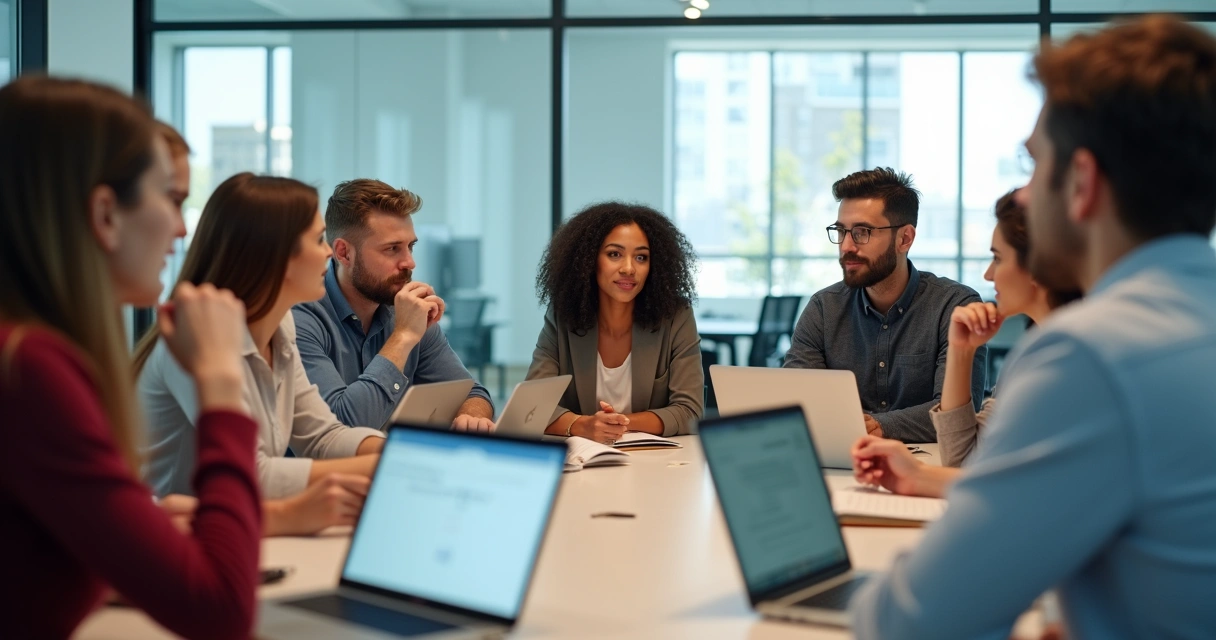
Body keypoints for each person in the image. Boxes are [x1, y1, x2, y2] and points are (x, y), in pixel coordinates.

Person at [850, 15, 1216, 639]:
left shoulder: (1090, 353)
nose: (1021, 197)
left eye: (1034, 164)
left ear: (1082, 184)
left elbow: (912, 623)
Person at [0, 76, 260, 638]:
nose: (181, 227)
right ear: (105, 215)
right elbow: (220, 611)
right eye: (170, 198)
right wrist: (220, 381)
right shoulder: (28, 369)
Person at [148, 123, 371, 536]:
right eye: (318, 240)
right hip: (174, 542)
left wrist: (389, 451)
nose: (328, 252)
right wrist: (387, 465)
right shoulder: (194, 337)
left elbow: (320, 436)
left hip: (238, 532)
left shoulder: (280, 324)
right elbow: (254, 474)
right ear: (277, 256)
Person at [853, 190, 1082, 489]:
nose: (988, 274)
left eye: (998, 258)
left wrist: (918, 476)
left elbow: (1032, 485)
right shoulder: (1035, 352)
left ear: (1039, 266)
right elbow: (965, 459)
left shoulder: (1073, 359)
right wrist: (961, 351)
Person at [783, 168, 986, 443]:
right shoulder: (823, 309)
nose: (846, 246)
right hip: (845, 459)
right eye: (841, 231)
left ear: (905, 239)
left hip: (932, 463)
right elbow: (800, 405)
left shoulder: (953, 307)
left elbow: (956, 415)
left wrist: (879, 425)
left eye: (862, 232)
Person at [292, 179, 493, 432]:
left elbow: (472, 393)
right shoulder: (300, 318)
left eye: (410, 247)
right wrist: (403, 337)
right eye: (392, 249)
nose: (409, 262)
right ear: (344, 253)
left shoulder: (406, 308)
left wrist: (471, 417)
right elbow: (341, 428)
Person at [526, 201, 703, 444]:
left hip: (657, 458)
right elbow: (533, 407)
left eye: (641, 257)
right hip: (582, 460)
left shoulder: (676, 316)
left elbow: (690, 412)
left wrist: (616, 423)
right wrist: (584, 425)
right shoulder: (562, 316)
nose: (629, 268)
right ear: (588, 260)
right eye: (614, 254)